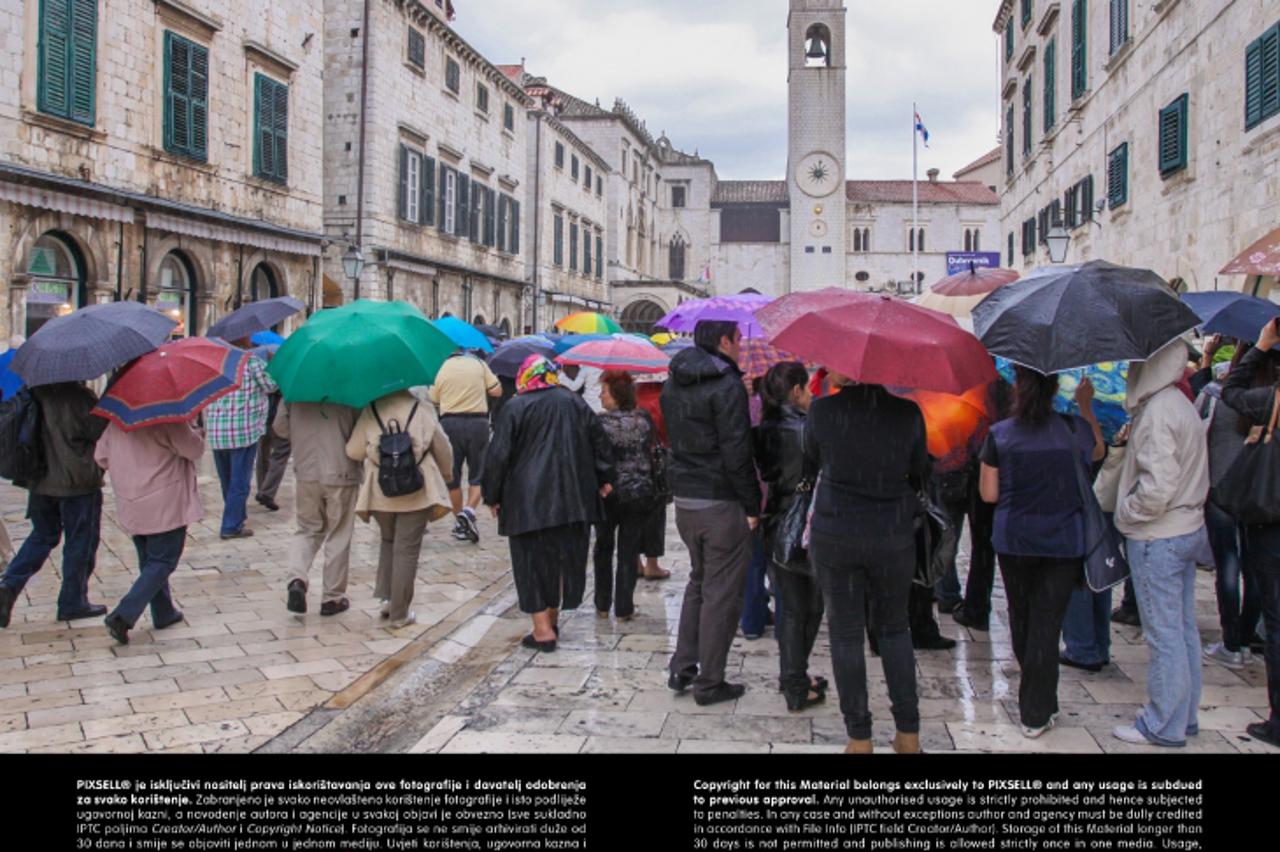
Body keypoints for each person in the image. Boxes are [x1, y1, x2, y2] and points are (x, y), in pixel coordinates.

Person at [805, 369, 927, 753]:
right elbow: (920, 471)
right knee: (894, 630)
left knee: (844, 634)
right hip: (891, 533)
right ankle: (908, 734)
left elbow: (810, 463)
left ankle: (859, 737)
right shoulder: (907, 413)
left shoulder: (823, 411)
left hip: (836, 532)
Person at [979, 369, 1104, 739]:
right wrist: (1086, 407)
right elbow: (1098, 451)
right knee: (1047, 625)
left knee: (1022, 616)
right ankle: (1037, 708)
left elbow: (988, 494)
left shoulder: (1000, 434)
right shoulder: (1073, 429)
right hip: (1063, 542)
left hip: (1015, 539)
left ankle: (1036, 702)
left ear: (1018, 388)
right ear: (1054, 388)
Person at [1111, 339, 1211, 748]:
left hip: (1160, 536)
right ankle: (1183, 717)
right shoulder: (1179, 402)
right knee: (1183, 629)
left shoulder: (1158, 414)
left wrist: (1126, 515)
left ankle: (1162, 723)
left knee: (1165, 633)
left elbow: (1157, 489)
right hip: (1185, 529)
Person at [483, 356, 614, 651]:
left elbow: (498, 456)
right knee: (562, 560)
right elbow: (599, 441)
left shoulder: (514, 407)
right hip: (574, 497)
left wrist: (492, 495)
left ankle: (542, 630)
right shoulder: (574, 402)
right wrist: (605, 477)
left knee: (530, 562)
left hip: (526, 500)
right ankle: (551, 619)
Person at [661, 320, 761, 706]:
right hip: (720, 500)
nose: (741, 346)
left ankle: (682, 666)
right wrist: (753, 505)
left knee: (699, 583)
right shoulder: (726, 385)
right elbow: (737, 452)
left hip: (686, 498)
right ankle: (710, 682)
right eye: (738, 340)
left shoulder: (674, 382)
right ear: (724, 341)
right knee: (721, 594)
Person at [0, 381, 108, 628]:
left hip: (40, 478)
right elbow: (98, 430)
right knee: (81, 539)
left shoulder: (33, 392)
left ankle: (9, 585)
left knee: (42, 535)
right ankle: (73, 601)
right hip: (77, 480)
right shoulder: (80, 396)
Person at [1219, 319, 1280, 749]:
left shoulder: (1272, 400)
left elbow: (1230, 390)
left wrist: (1259, 348)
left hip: (1272, 521)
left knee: (1277, 622)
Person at [346, 388, 453, 630]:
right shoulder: (422, 408)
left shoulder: (371, 409)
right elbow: (442, 446)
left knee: (388, 541)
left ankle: (387, 599)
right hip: (417, 488)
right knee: (406, 549)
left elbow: (352, 450)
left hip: (380, 489)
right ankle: (399, 613)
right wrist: (446, 474)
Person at [754, 361, 827, 712]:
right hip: (806, 522)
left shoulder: (764, 427)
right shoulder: (808, 428)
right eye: (808, 387)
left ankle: (794, 675)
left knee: (793, 605)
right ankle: (795, 683)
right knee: (808, 607)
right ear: (797, 390)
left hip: (776, 520)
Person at [95, 418, 205, 644]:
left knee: (149, 561)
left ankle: (164, 611)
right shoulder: (168, 418)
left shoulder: (116, 421)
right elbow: (193, 449)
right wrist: (197, 432)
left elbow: (101, 457)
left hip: (131, 500)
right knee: (162, 561)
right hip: (164, 499)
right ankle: (122, 615)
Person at [1195, 337, 1265, 669]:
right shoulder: (1269, 400)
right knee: (1252, 569)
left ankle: (1231, 640)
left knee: (1227, 565)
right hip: (1257, 496)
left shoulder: (1217, 395)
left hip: (1220, 489)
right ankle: (1247, 635)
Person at [277, 401, 361, 616]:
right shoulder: (348, 388)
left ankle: (297, 578)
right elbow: (360, 430)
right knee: (339, 533)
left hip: (306, 470)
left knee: (307, 529)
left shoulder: (294, 389)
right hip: (341, 469)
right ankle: (332, 597)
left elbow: (280, 427)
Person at [593, 371, 656, 621]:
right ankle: (624, 606)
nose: (600, 395)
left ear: (616, 395)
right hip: (639, 491)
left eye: (604, 391)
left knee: (604, 546)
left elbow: (595, 456)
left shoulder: (601, 423)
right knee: (629, 549)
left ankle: (601, 602)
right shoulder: (644, 419)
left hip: (609, 492)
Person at [205, 341, 277, 539]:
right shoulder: (251, 362)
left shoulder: (214, 363)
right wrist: (272, 366)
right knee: (240, 480)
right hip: (243, 430)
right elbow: (271, 386)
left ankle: (236, 515)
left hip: (218, 430)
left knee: (227, 479)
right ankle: (231, 525)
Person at [428, 350, 502, 544]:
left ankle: (460, 521)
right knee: (478, 475)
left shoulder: (442, 368)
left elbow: (433, 398)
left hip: (450, 424)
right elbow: (497, 391)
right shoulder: (479, 364)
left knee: (453, 478)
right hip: (478, 423)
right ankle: (469, 512)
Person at [635, 379, 671, 581]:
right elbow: (667, 432)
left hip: (632, 465)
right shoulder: (664, 397)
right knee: (655, 515)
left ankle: (635, 562)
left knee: (632, 516)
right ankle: (652, 564)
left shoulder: (633, 395)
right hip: (654, 463)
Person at [254, 388, 292, 512]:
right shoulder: (288, 373)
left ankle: (262, 488)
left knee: (263, 453)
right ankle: (267, 492)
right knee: (281, 454)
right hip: (279, 417)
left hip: (262, 416)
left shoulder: (260, 369)